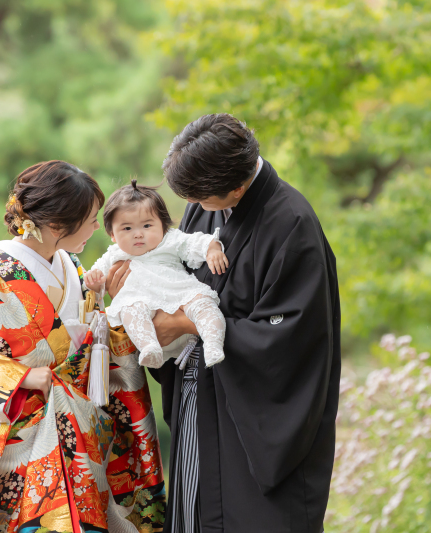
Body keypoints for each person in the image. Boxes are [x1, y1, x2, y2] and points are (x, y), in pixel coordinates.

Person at [108, 114, 341, 533]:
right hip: (200, 401)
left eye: (202, 198)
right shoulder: (205, 207)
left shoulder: (292, 224)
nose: (193, 207)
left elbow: (292, 337)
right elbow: (171, 275)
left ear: (235, 186)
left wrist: (185, 324)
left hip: (256, 421)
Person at [0, 161, 166, 533]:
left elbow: (103, 347)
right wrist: (18, 379)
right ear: (55, 226)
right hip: (15, 451)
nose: (98, 227)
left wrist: (116, 308)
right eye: (91, 218)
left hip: (80, 439)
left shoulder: (77, 272)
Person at [83, 179, 228, 370]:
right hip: (143, 307)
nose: (138, 234)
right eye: (127, 228)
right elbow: (96, 279)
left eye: (147, 226)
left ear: (163, 225)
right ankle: (149, 347)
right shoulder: (114, 254)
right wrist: (94, 283)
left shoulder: (169, 240)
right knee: (130, 309)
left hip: (179, 294)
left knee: (204, 304)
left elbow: (196, 242)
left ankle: (213, 344)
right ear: (112, 234)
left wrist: (212, 249)